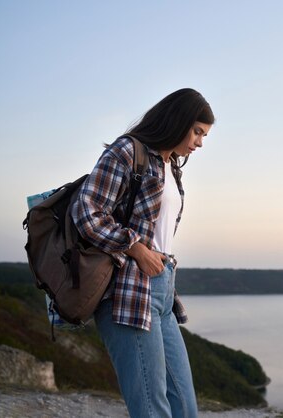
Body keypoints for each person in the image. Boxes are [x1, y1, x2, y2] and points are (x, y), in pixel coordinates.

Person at [71, 88, 214, 418]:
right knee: (152, 409)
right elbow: (87, 212)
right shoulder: (127, 151)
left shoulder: (170, 166)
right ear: (176, 120)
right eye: (197, 131)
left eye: (204, 135)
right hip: (127, 292)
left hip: (162, 291)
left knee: (184, 406)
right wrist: (135, 247)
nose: (200, 142)